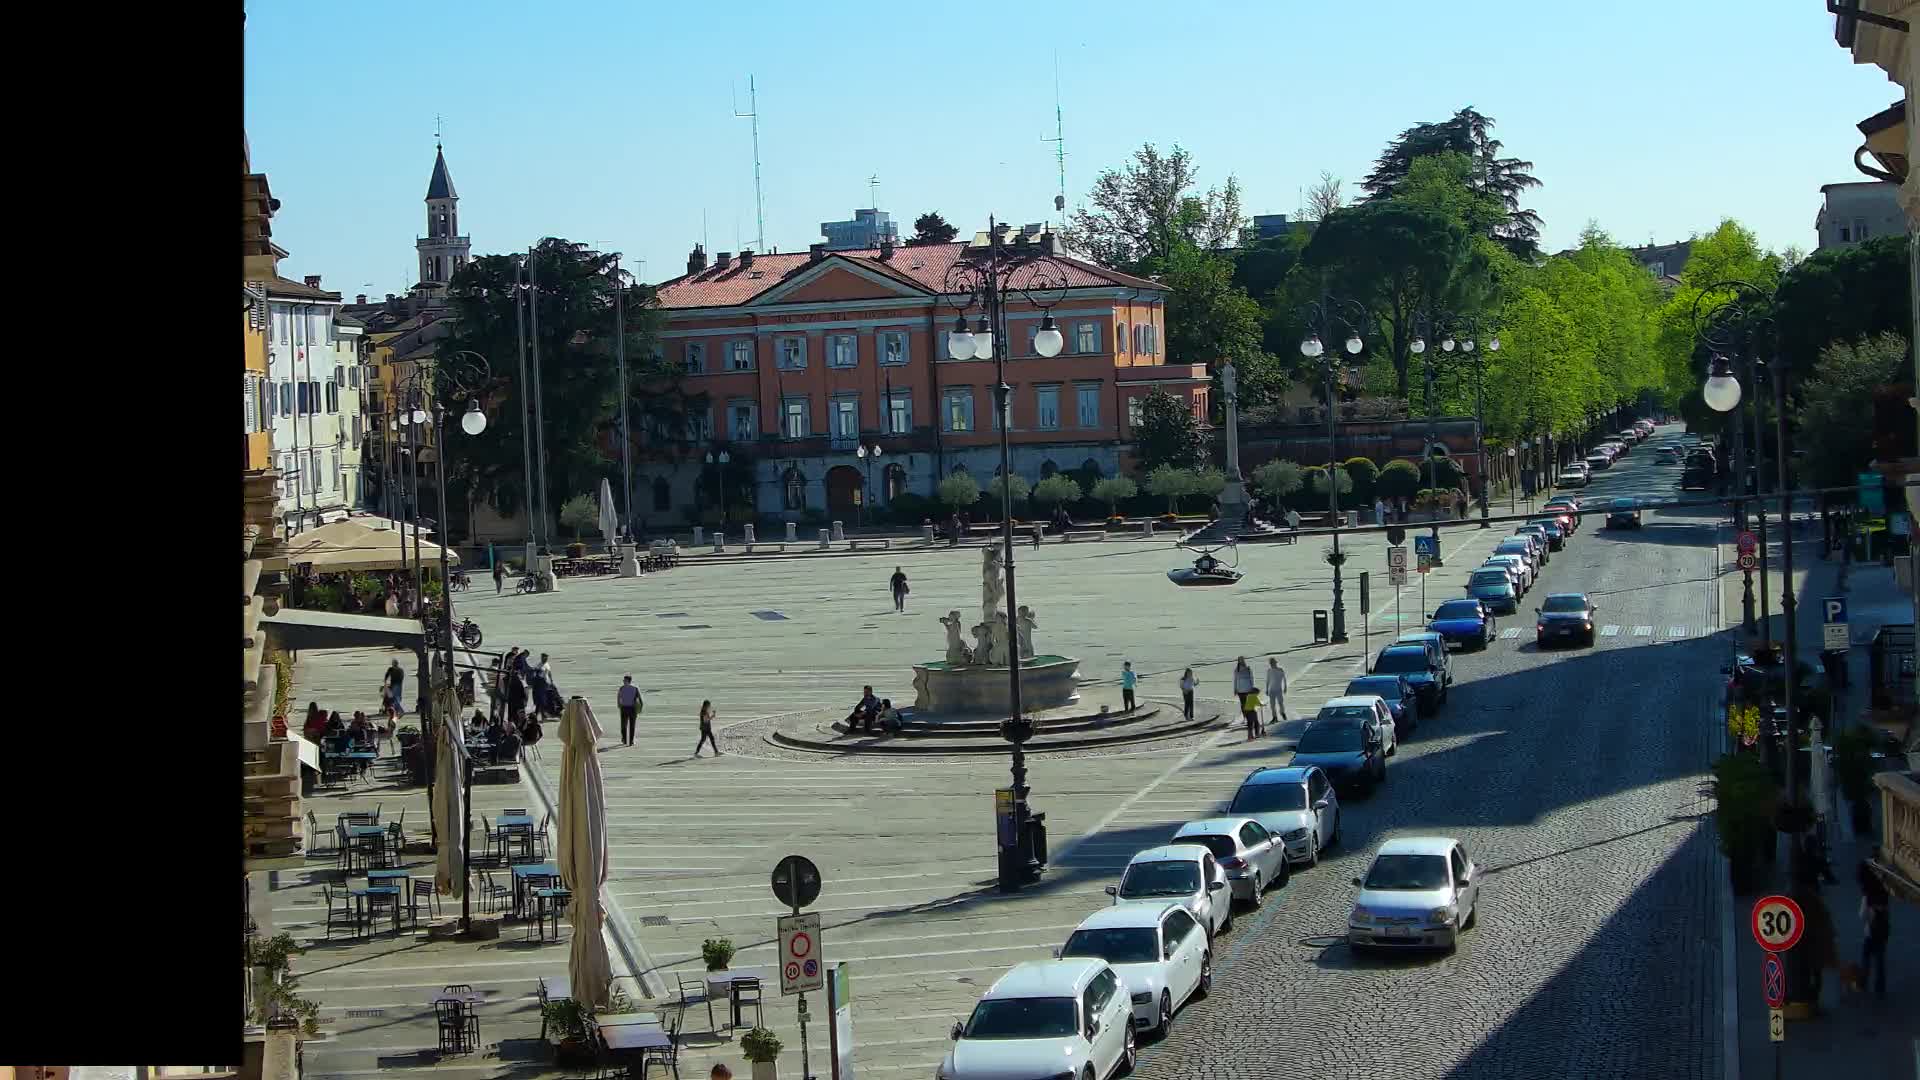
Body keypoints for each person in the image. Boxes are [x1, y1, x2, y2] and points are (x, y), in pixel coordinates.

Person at [1859, 860, 1891, 998]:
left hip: (1870, 932)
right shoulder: (1884, 895)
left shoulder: (1868, 896)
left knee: (1866, 957)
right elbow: (1888, 913)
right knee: (1880, 959)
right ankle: (1880, 986)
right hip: (1883, 931)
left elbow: (1862, 915)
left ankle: (1864, 982)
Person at [617, 675, 642, 747]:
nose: (623, 681)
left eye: (624, 680)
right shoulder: (635, 688)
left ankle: (628, 740)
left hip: (626, 708)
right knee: (628, 725)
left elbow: (618, 697)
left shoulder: (622, 688)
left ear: (628, 681)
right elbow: (640, 699)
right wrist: (640, 708)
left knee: (626, 725)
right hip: (630, 708)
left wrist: (619, 705)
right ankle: (628, 740)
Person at [1265, 657, 1289, 725]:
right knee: (1272, 705)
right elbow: (1268, 680)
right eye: (1271, 663)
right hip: (1271, 690)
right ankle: (1274, 717)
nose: (1272, 664)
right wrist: (1267, 689)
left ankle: (1282, 713)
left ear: (1275, 663)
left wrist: (1285, 687)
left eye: (1273, 663)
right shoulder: (1269, 671)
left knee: (1280, 703)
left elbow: (1284, 679)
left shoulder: (1280, 670)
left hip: (1278, 689)